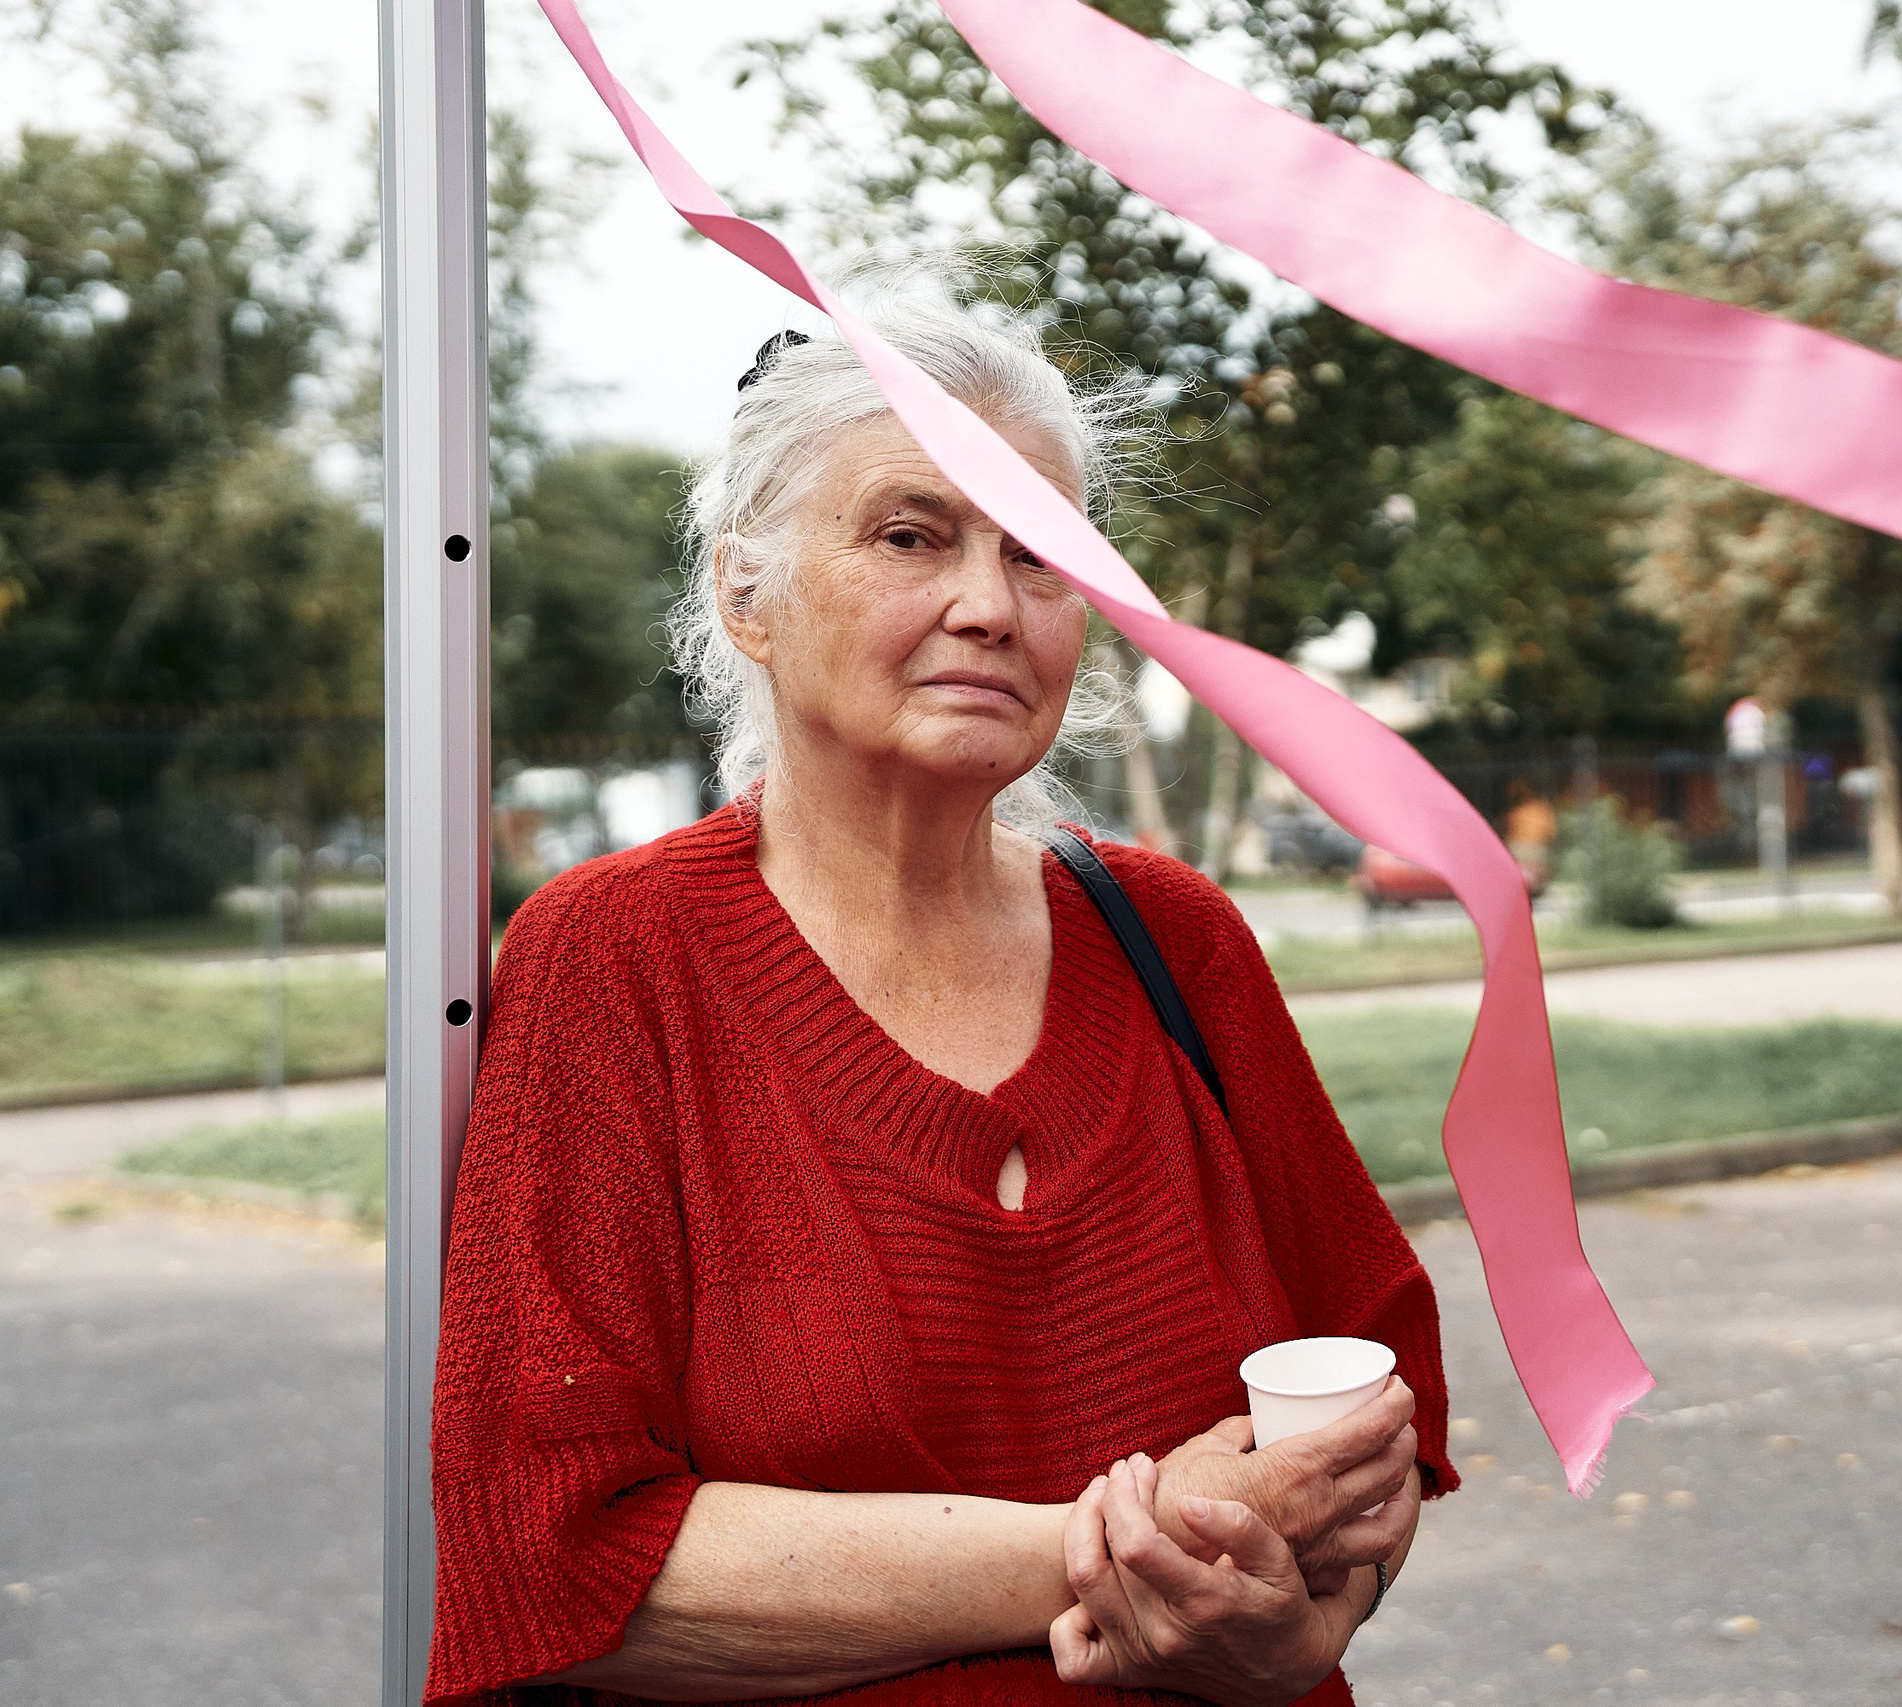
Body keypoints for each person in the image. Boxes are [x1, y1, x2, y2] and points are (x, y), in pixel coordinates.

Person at [425, 288, 1456, 1707]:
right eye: (912, 535)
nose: (989, 605)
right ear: (746, 595)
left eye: (1041, 556)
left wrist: (1302, 1635)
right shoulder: (615, 958)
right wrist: (1125, 1551)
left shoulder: (1175, 940)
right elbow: (557, 1565)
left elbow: (1380, 1400)